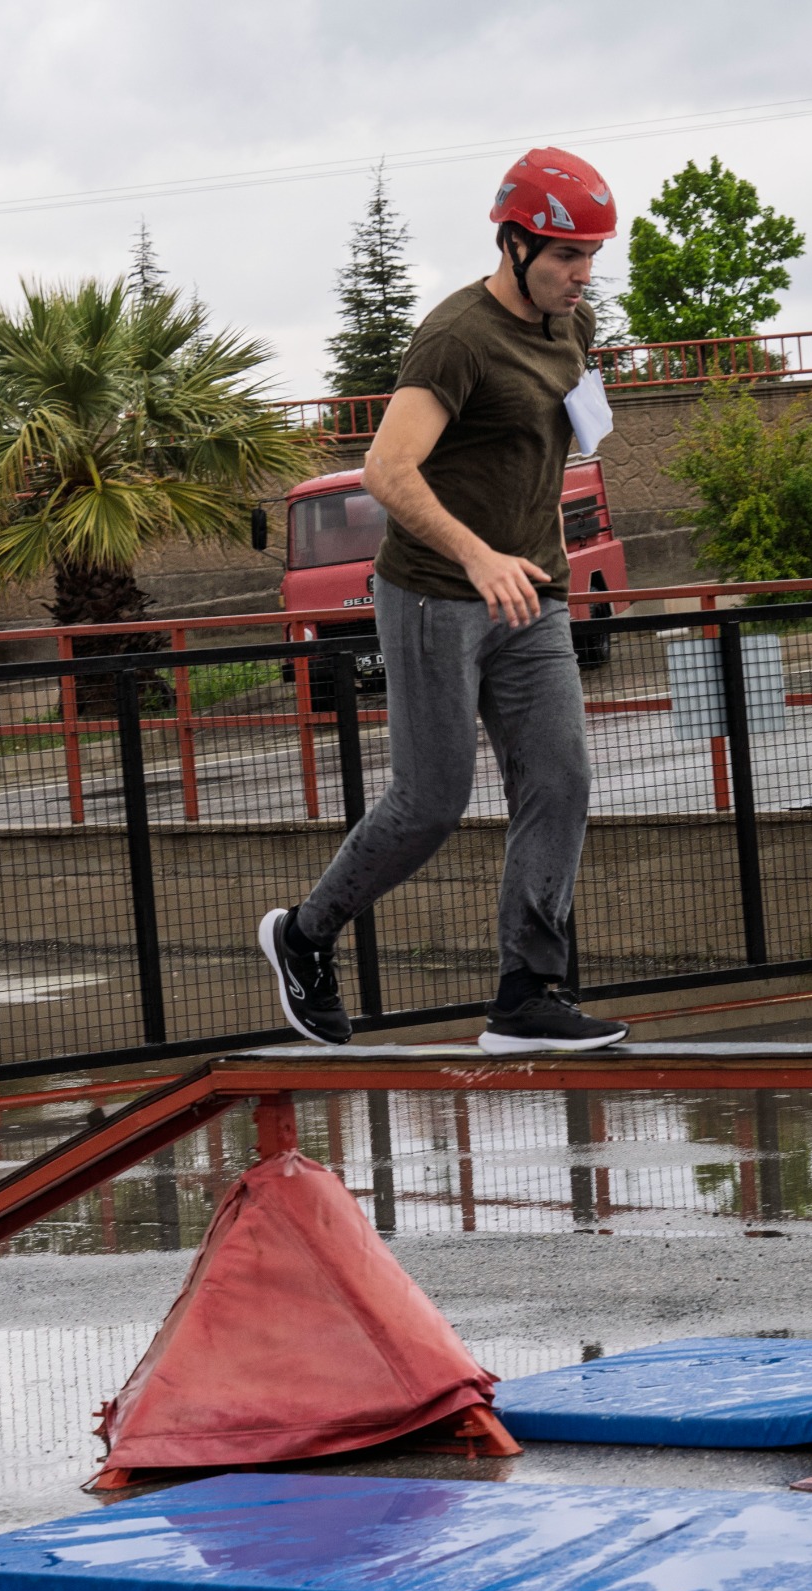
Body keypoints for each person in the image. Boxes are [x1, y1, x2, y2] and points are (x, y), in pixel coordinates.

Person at [261, 146, 630, 1055]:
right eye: (567, 256)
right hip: (434, 594)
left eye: (591, 257)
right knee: (431, 801)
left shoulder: (572, 327)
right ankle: (303, 935)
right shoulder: (456, 338)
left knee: (560, 781)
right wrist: (477, 555)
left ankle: (527, 994)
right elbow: (386, 470)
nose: (582, 275)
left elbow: (550, 442)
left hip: (531, 594)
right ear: (514, 245)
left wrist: (529, 554)